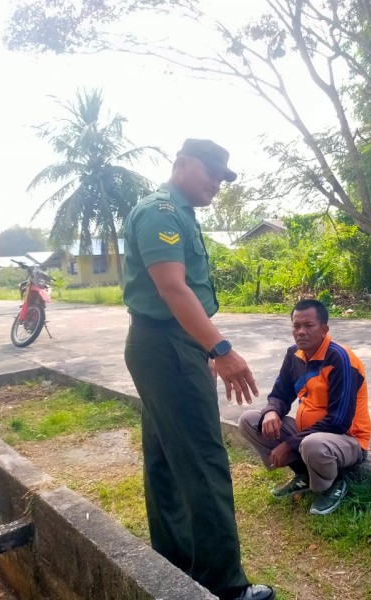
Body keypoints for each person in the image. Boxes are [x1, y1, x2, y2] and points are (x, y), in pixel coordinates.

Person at [122, 138, 274, 600]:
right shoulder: (162, 212)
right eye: (211, 173)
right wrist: (221, 349)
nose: (217, 184)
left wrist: (202, 350)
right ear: (182, 163)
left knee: (166, 458)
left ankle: (174, 566)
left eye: (222, 177)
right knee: (204, 460)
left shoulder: (180, 213)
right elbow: (173, 289)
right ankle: (224, 586)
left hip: (168, 344)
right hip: (166, 344)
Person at [238, 299, 371, 516]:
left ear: (324, 329)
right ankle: (305, 476)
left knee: (312, 444)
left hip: (348, 440)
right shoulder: (294, 355)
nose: (301, 332)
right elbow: (280, 394)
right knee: (251, 420)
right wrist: (271, 411)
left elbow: (338, 421)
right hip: (308, 435)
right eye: (296, 326)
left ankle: (333, 484)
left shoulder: (340, 359)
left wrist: (289, 444)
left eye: (309, 325)